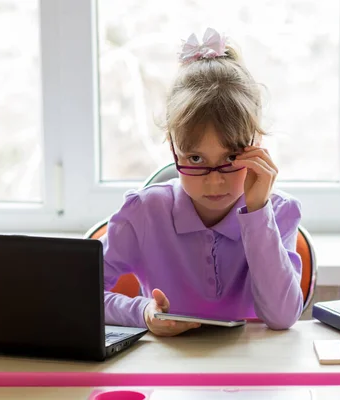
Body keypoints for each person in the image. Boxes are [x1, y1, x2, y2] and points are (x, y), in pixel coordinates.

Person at [100, 28, 303, 336]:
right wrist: (141, 312)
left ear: (257, 144)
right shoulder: (144, 213)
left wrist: (258, 212)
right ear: (172, 146)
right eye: (195, 159)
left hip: (251, 371)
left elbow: (282, 316)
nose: (214, 182)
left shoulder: (278, 211)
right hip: (166, 371)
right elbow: (75, 293)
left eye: (231, 157)